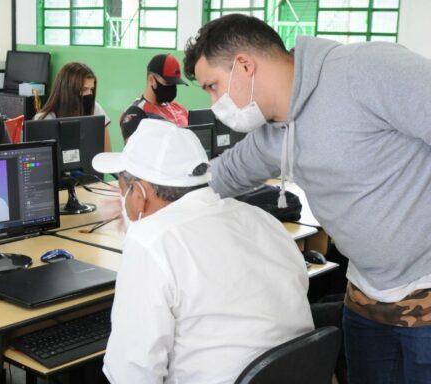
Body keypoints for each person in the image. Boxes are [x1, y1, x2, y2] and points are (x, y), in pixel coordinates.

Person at [183, 13, 431, 384]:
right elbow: (224, 175)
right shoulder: (274, 132)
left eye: (212, 86)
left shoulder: (363, 70)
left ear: (245, 65)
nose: (215, 102)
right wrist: (149, 194)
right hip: (365, 302)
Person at [92, 118, 313, 383]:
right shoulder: (261, 219)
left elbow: (132, 373)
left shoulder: (151, 242)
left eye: (122, 190)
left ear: (138, 192)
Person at [34, 62, 112, 151]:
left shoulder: (95, 108)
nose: (89, 94)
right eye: (84, 89)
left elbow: (107, 152)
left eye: (91, 89)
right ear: (67, 89)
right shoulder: (45, 118)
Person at [119, 54, 189, 142]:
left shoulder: (180, 109)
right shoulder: (135, 113)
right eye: (168, 83)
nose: (172, 88)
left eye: (174, 84)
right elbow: (135, 153)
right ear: (151, 79)